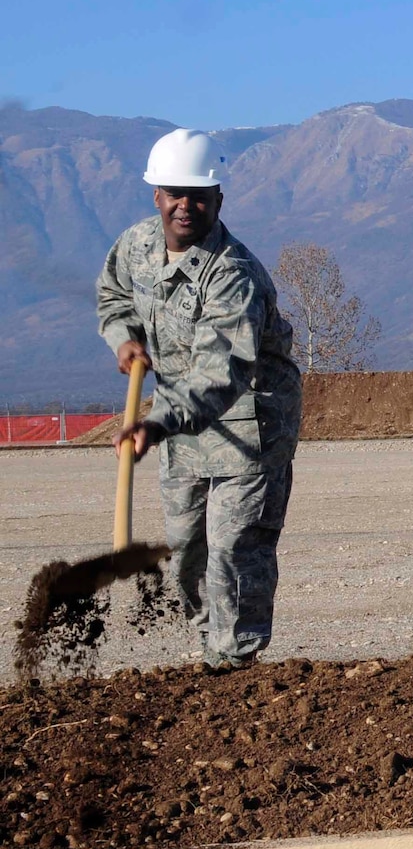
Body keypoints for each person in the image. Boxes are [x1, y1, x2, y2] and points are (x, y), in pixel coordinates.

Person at [97, 128, 303, 670]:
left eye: (199, 196)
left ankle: (234, 665)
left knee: (235, 550)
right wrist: (124, 337)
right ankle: (212, 641)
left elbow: (220, 372)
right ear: (157, 196)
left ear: (218, 200)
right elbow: (114, 294)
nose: (185, 206)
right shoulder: (138, 245)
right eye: (174, 194)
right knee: (186, 551)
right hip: (180, 427)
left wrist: (155, 424)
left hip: (250, 424)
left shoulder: (233, 275)